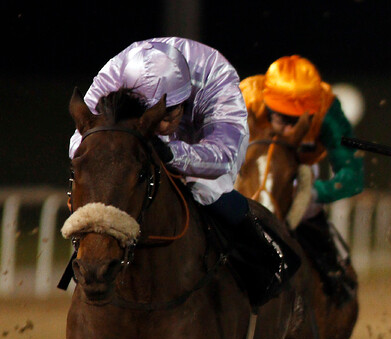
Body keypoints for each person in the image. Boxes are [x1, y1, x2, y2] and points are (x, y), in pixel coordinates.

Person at [68, 37, 299, 307]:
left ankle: (268, 258)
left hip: (205, 137)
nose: (163, 125)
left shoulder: (217, 77)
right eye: (156, 116)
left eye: (169, 114)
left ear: (185, 100)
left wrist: (173, 153)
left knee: (206, 189)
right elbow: (81, 141)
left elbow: (224, 156)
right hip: (134, 132)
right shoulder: (115, 75)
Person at [239, 55, 363, 304]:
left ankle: (335, 280)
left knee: (310, 214)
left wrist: (314, 194)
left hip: (299, 174)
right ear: (266, 100)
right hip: (244, 171)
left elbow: (353, 176)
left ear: (311, 113)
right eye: (277, 115)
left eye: (294, 120)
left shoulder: (328, 113)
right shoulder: (245, 98)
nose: (284, 128)